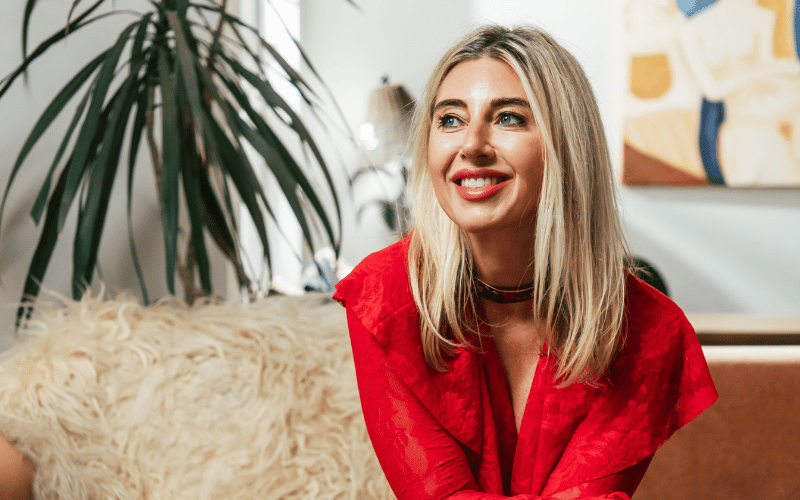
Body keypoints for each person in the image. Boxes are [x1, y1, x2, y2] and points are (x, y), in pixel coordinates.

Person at [333, 25, 717, 499]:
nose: (471, 145)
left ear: (566, 146)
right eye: (450, 120)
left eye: (509, 119)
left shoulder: (647, 332)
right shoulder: (384, 295)